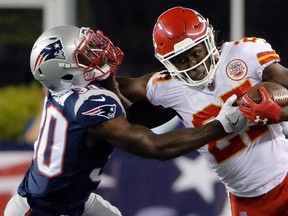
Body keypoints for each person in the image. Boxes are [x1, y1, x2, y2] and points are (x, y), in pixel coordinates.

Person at [3, 25, 245, 216]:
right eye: (85, 54)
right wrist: (220, 125)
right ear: (66, 72)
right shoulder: (88, 105)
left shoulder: (68, 90)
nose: (97, 53)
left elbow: (135, 95)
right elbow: (155, 146)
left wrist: (187, 82)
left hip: (70, 199)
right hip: (45, 210)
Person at [117, 6, 288, 216]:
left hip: (285, 176)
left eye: (196, 53)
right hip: (245, 200)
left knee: (261, 93)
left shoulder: (245, 52)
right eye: (181, 60)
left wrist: (275, 111)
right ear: (167, 63)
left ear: (209, 41)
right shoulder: (166, 86)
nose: (193, 65)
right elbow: (122, 88)